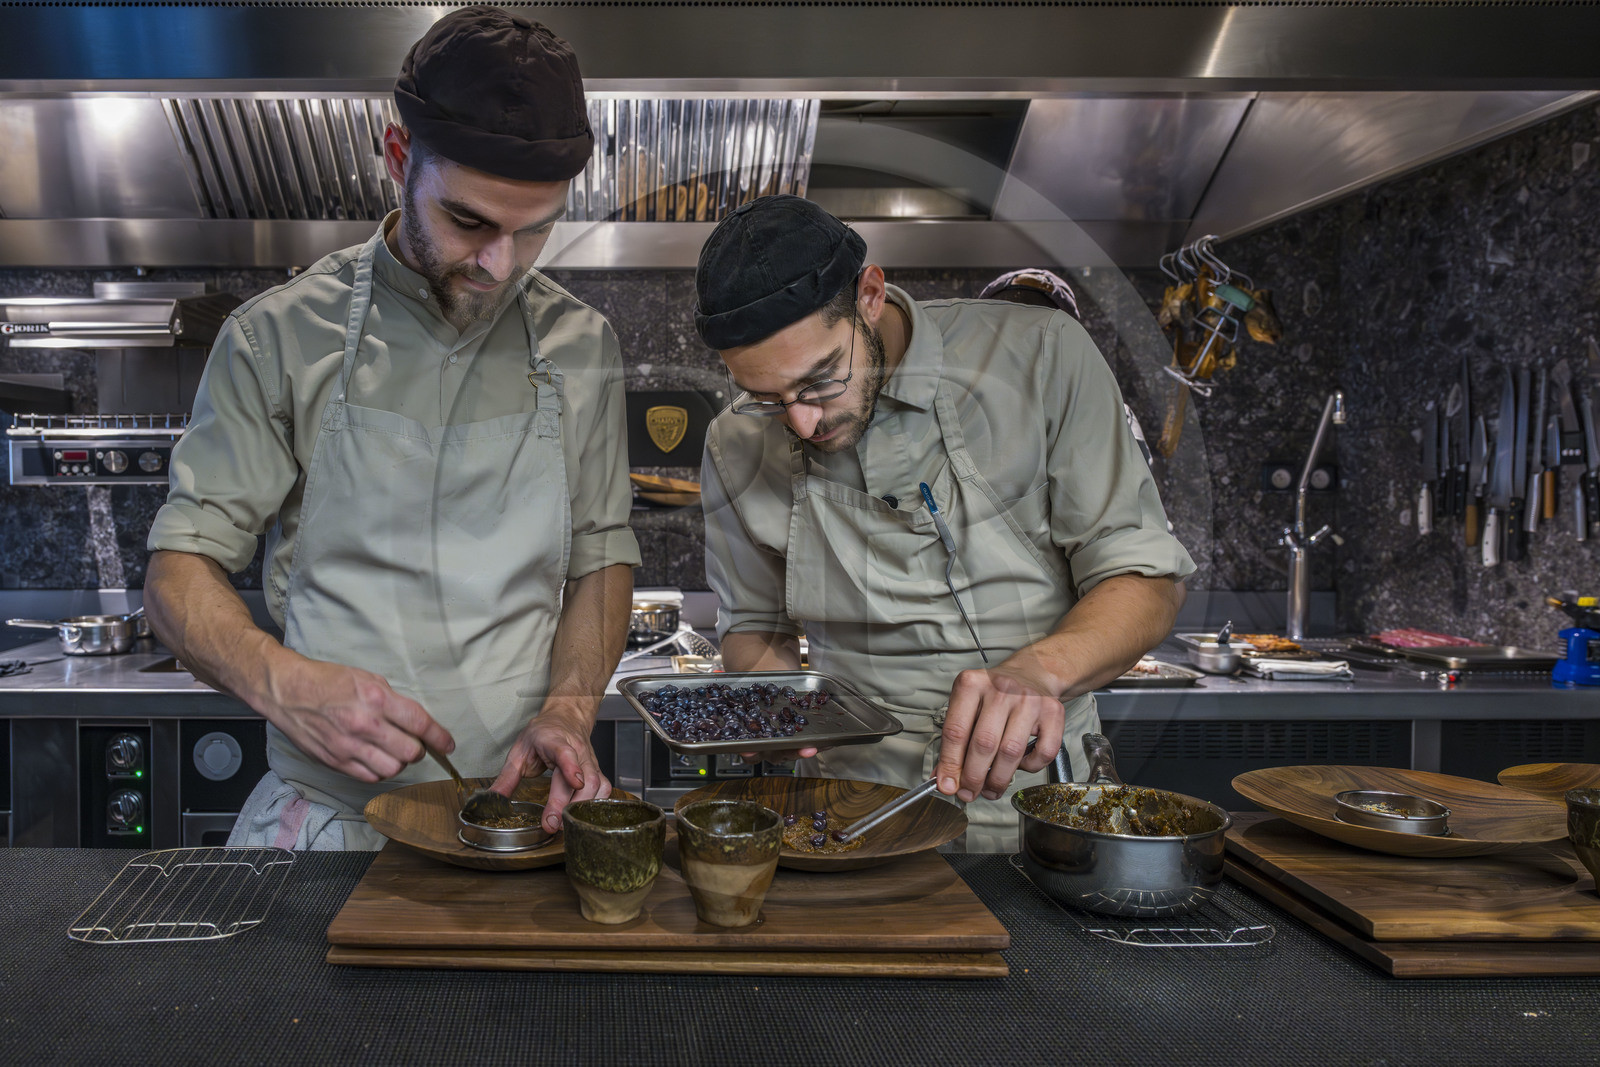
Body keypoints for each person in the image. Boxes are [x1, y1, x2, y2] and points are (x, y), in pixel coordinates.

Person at [143, 7, 639, 849]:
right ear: (399, 158)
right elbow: (177, 571)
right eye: (470, 221)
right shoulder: (280, 337)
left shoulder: (581, 346)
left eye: (534, 230)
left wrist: (569, 703)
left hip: (518, 824)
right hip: (330, 826)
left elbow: (601, 555)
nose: (499, 266)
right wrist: (279, 679)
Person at [696, 196, 1194, 850]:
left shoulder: (1042, 357)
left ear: (870, 294)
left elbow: (1146, 579)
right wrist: (779, 697)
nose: (803, 423)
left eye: (821, 380)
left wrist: (1040, 671)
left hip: (1048, 812)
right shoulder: (732, 442)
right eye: (768, 399)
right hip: (853, 819)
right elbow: (752, 627)